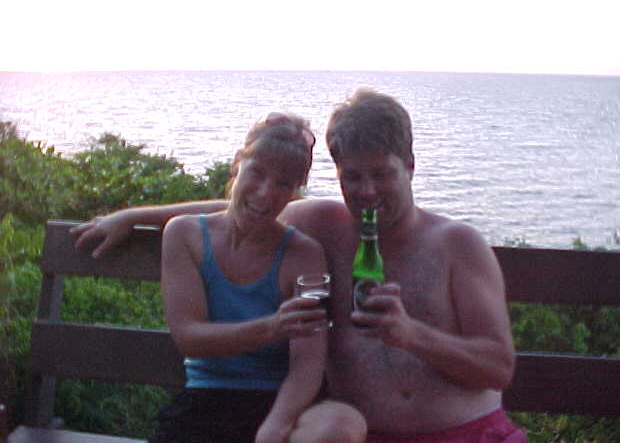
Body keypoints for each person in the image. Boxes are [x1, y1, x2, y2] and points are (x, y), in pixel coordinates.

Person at [73, 89, 527, 442]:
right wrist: (134, 216)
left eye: (382, 174)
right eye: (352, 176)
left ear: (409, 165)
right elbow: (245, 205)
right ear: (338, 173)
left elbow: (498, 368)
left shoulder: (456, 244)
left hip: (465, 433)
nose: (366, 191)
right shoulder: (324, 224)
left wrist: (412, 334)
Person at [91, 111, 366, 443]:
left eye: (283, 183)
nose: (266, 193)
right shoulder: (185, 235)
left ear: (296, 191)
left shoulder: (303, 254)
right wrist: (273, 327)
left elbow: (306, 365)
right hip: (207, 399)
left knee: (339, 425)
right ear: (238, 164)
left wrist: (275, 426)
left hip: (282, 402)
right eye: (257, 173)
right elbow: (190, 337)